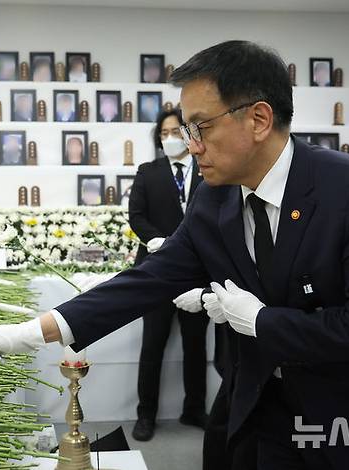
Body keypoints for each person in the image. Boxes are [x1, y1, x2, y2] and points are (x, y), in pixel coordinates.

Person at [0, 41, 349, 469]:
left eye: (199, 128)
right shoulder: (214, 198)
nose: (190, 146)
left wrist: (262, 322)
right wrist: (32, 332)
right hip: (272, 403)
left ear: (258, 119)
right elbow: (149, 280)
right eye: (184, 132)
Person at [125, 108, 206, 441]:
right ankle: (146, 415)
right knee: (153, 345)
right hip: (156, 269)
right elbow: (136, 215)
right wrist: (157, 240)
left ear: (190, 133)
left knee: (196, 345)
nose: (170, 139)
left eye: (176, 132)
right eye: (164, 134)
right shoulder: (148, 172)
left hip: (197, 270)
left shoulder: (208, 168)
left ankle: (195, 409)